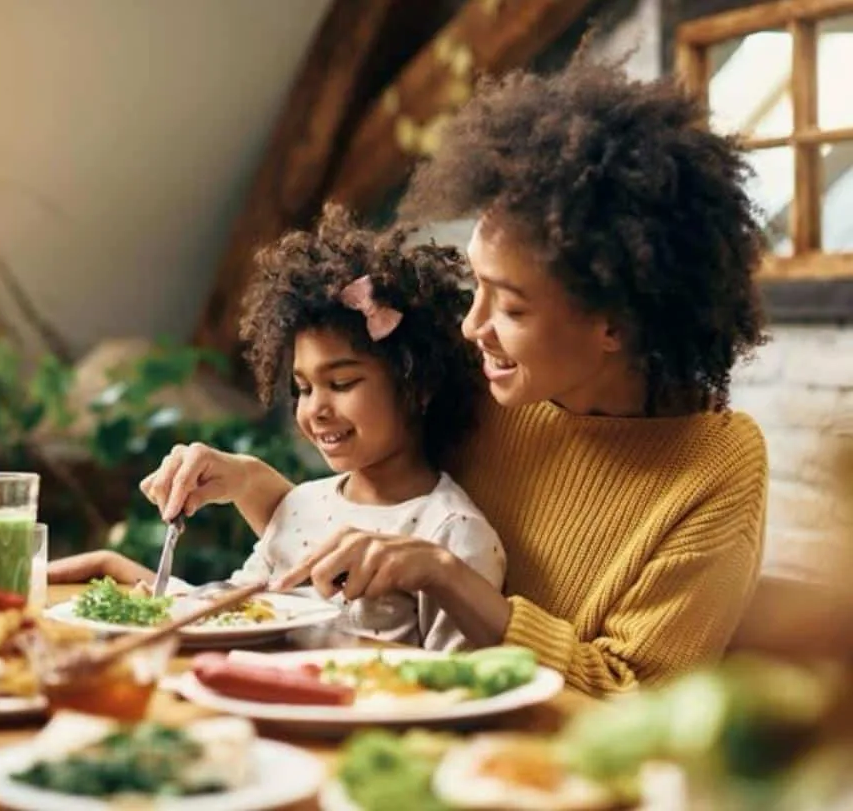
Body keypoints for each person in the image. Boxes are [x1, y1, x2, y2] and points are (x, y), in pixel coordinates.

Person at [133, 54, 770, 695]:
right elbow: (374, 524)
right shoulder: (491, 380)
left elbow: (631, 700)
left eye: (511, 306)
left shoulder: (713, 470)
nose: (472, 327)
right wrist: (247, 482)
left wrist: (447, 577)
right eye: (477, 289)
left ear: (616, 324)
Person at [51, 204, 505, 650]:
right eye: (304, 389)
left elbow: (463, 687)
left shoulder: (450, 531)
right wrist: (123, 573)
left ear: (417, 385)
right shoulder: (300, 504)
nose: (316, 410)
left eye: (341, 383)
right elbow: (231, 615)